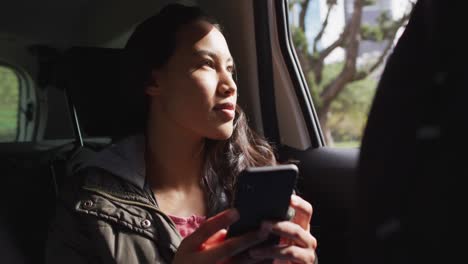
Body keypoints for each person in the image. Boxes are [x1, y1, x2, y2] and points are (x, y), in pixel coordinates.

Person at [45, 3, 317, 264]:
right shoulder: (89, 202)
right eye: (207, 65)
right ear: (153, 81)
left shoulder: (256, 176)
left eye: (231, 70)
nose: (229, 86)